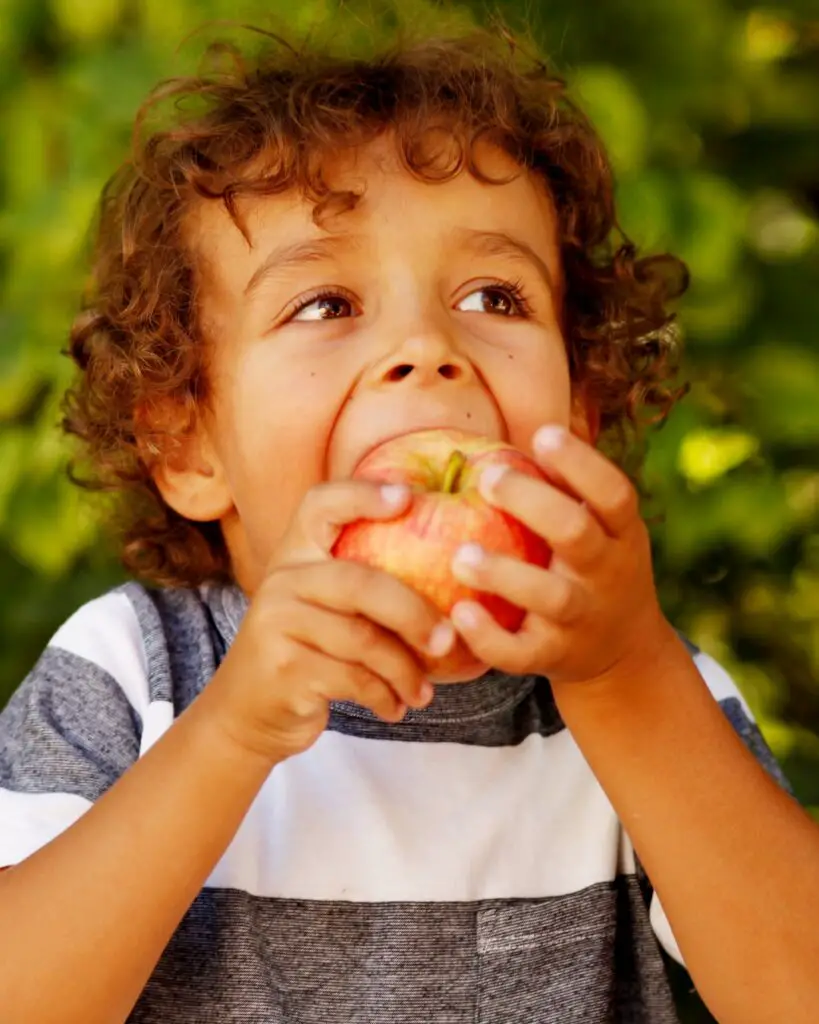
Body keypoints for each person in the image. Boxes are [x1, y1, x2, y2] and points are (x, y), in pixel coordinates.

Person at [0, 25, 817, 1024]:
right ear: (188, 443)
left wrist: (625, 676)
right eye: (325, 302)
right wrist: (232, 731)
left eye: (493, 295)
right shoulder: (136, 672)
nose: (426, 349)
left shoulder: (648, 690)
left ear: (576, 417)